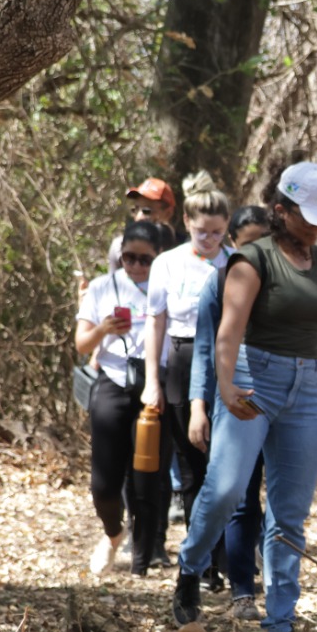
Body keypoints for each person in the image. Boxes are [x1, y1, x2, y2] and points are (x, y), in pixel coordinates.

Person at [170, 161, 317, 632]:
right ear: (280, 210)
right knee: (225, 490)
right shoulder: (252, 259)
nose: (316, 224)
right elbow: (228, 329)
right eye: (306, 214)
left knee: (290, 511)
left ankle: (281, 624)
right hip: (252, 376)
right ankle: (190, 568)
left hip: (306, 386)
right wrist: (223, 386)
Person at [188, 205, 271, 620]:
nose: (256, 250)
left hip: (285, 402)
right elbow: (205, 350)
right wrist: (197, 407)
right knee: (237, 497)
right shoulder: (218, 283)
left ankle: (277, 587)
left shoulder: (287, 282)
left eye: (264, 240)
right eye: (248, 241)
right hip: (235, 399)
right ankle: (242, 591)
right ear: (234, 243)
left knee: (282, 502)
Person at [76, 221, 168, 576]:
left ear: (158, 258)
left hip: (154, 385)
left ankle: (141, 564)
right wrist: (104, 329)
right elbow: (82, 344)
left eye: (144, 259)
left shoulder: (166, 288)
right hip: (113, 381)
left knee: (147, 479)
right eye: (128, 258)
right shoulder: (102, 287)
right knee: (104, 483)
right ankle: (113, 533)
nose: (136, 267)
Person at [142, 172, 231, 526]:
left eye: (217, 233)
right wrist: (153, 380)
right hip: (181, 359)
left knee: (224, 463)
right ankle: (199, 559)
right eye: (201, 231)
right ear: (187, 223)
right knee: (191, 462)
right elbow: (156, 320)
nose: (209, 240)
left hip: (225, 361)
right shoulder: (167, 263)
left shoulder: (236, 262)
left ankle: (227, 554)